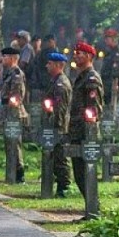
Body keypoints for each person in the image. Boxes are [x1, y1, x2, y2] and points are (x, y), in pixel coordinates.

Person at [70, 42, 103, 212]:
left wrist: (88, 128)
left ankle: (93, 209)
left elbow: (94, 108)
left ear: (89, 56)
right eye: (76, 53)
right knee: (79, 174)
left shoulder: (91, 78)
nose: (76, 56)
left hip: (86, 132)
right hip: (77, 131)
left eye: (80, 53)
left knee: (86, 173)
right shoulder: (81, 77)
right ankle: (90, 208)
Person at [0, 47, 29, 183]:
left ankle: (18, 172)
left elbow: (16, 96)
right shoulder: (8, 73)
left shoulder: (16, 74)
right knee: (9, 143)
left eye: (5, 57)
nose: (2, 59)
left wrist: (11, 106)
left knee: (15, 143)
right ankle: (12, 170)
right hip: (7, 112)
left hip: (14, 113)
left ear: (12, 58)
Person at [44, 52, 72, 198]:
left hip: (59, 126)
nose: (46, 66)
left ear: (58, 65)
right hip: (54, 125)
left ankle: (64, 186)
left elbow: (60, 109)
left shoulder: (61, 84)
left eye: (49, 63)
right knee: (56, 157)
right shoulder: (54, 81)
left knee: (61, 157)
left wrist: (58, 128)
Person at [100, 28, 119, 108]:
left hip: (113, 85)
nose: (106, 41)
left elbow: (117, 71)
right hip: (106, 84)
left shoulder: (117, 53)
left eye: (108, 38)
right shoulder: (108, 52)